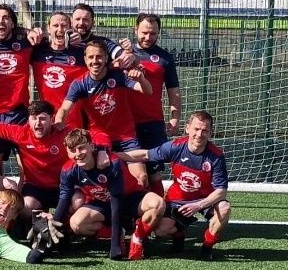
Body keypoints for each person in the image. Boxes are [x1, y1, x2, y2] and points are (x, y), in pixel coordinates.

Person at [119, 111, 231, 261]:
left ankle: (207, 247)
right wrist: (116, 155)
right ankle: (179, 233)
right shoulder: (176, 147)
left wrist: (198, 205)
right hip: (179, 198)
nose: (199, 134)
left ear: (210, 133)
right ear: (187, 128)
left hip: (205, 199)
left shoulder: (216, 156)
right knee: (160, 231)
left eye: (205, 130)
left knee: (224, 208)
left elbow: (221, 191)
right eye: (196, 129)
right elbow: (146, 155)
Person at [52, 129, 162, 261]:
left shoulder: (111, 162)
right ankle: (120, 233)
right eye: (73, 150)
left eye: (81, 148)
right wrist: (51, 229)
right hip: (102, 204)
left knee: (158, 203)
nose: (78, 154)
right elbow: (63, 199)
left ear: (91, 146)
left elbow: (117, 201)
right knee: (76, 223)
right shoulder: (68, 170)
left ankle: (137, 238)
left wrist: (114, 246)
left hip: (130, 197)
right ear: (67, 152)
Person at [55, 41, 152, 186]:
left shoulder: (118, 76)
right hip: (98, 138)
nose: (95, 61)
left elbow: (148, 91)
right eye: (91, 57)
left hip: (126, 137)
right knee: (102, 180)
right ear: (85, 59)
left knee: (142, 178)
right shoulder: (79, 84)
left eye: (99, 57)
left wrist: (141, 79)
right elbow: (64, 109)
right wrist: (59, 122)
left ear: (106, 58)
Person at [0, 100, 73, 219]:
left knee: (77, 203)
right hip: (34, 188)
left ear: (52, 119)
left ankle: (60, 222)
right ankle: (45, 219)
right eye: (34, 118)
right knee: (25, 209)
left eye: (42, 118)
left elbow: (87, 136)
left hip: (61, 186)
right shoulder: (22, 134)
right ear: (28, 120)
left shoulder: (64, 134)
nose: (38, 123)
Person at [126, 13, 180, 196]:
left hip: (153, 123)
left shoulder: (165, 58)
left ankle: (158, 210)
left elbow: (174, 91)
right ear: (135, 29)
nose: (148, 37)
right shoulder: (123, 55)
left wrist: (175, 118)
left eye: (153, 33)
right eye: (144, 32)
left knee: (154, 174)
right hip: (125, 124)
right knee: (131, 173)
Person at [30, 12, 87, 130]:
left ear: (70, 29)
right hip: (46, 119)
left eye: (64, 26)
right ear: (48, 28)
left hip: (73, 120)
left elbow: (101, 51)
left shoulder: (81, 53)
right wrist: (29, 31)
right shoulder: (37, 51)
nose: (60, 29)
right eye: (55, 25)